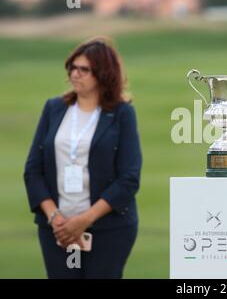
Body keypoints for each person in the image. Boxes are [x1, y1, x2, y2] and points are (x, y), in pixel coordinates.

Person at [24, 37, 142, 279]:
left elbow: (129, 178)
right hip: (57, 230)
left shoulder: (122, 114)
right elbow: (33, 170)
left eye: (84, 69)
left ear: (103, 74)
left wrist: (83, 220)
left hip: (109, 229)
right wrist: (55, 217)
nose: (75, 74)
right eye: (72, 68)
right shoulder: (54, 108)